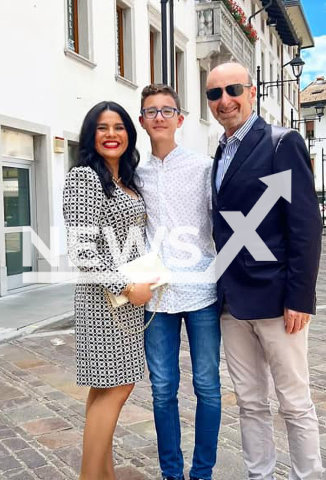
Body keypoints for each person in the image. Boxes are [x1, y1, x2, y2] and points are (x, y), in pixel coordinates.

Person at [206, 62, 323, 479]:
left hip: (277, 302)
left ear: (252, 92)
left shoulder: (280, 143)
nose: (224, 100)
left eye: (232, 89)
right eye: (214, 94)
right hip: (232, 305)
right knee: (250, 401)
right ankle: (260, 475)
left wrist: (299, 296)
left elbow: (306, 225)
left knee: (294, 400)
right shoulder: (220, 153)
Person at [63, 101, 155, 480]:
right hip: (104, 301)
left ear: (129, 134)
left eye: (119, 127)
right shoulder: (84, 177)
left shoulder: (126, 180)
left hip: (128, 301)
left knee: (104, 390)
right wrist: (126, 285)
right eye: (103, 128)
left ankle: (104, 474)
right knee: (118, 386)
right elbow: (82, 250)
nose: (112, 134)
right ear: (91, 134)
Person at [136, 84, 220, 480]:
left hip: (202, 290)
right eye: (151, 111)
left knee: (207, 385)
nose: (159, 117)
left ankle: (201, 473)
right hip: (157, 298)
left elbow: (223, 224)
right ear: (141, 121)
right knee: (162, 390)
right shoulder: (135, 176)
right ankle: (172, 473)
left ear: (180, 119)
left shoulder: (203, 167)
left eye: (166, 111)